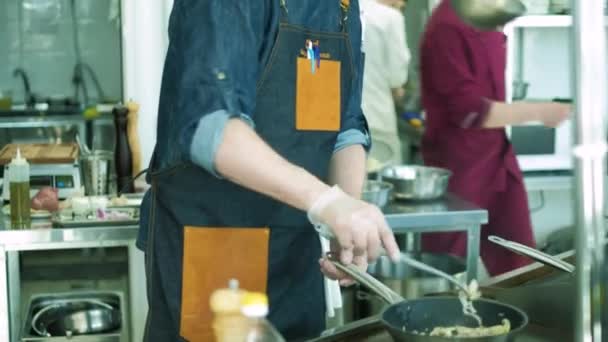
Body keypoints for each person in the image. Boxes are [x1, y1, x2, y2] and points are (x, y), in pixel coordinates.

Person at [137, 1, 400, 341]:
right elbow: (211, 129)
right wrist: (327, 202)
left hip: (296, 253)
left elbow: (345, 127)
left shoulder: (342, 6)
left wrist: (346, 213)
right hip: (216, 249)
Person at [419, 0, 570, 276]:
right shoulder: (448, 26)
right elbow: (470, 112)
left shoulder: (486, 17)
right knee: (446, 273)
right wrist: (540, 111)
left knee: (519, 265)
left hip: (498, 161)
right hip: (460, 168)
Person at [360, 0, 411, 165]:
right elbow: (397, 77)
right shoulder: (390, 18)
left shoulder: (333, 11)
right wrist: (398, 90)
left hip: (335, 120)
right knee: (382, 183)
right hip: (376, 119)